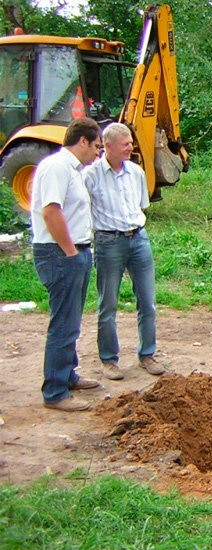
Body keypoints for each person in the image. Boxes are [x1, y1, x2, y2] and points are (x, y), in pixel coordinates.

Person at [31, 117, 102, 412]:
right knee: (63, 324)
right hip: (59, 254)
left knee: (71, 321)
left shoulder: (74, 171)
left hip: (75, 252)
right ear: (82, 141)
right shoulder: (57, 167)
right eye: (97, 146)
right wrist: (71, 251)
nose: (98, 152)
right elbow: (50, 212)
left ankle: (67, 375)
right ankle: (55, 391)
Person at [84, 123, 164, 380]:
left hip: (138, 239)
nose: (131, 147)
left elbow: (142, 205)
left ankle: (147, 354)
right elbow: (82, 209)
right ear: (108, 146)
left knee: (148, 301)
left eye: (130, 142)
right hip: (109, 243)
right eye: (125, 143)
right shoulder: (91, 175)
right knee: (108, 304)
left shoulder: (136, 172)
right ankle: (109, 360)